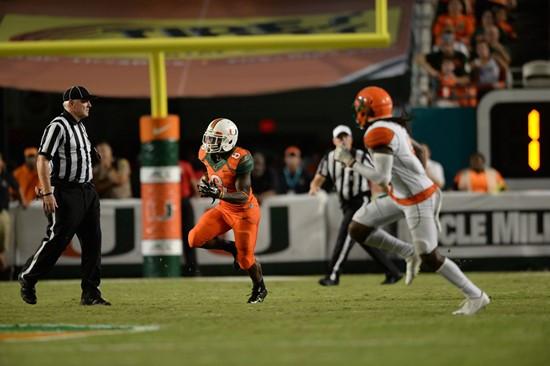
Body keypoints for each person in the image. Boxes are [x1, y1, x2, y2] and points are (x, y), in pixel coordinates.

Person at [335, 86, 490, 315]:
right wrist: (415, 176)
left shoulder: (378, 132)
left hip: (418, 199)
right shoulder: (393, 126)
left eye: (360, 108)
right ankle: (407, 252)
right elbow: (419, 151)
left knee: (430, 256)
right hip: (402, 196)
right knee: (357, 228)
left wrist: (350, 162)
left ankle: (476, 295)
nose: (357, 113)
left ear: (368, 110)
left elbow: (381, 177)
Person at [18, 85, 110, 306]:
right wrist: (48, 191)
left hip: (87, 191)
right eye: (85, 100)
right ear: (71, 104)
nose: (90, 104)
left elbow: (72, 155)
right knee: (57, 240)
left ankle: (90, 293)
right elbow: (43, 159)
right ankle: (27, 277)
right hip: (65, 191)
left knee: (92, 244)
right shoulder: (57, 126)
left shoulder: (80, 127)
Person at [309, 124, 403, 286]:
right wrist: (314, 186)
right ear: (334, 141)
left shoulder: (360, 156)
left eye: (346, 137)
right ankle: (393, 272)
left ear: (351, 139)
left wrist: (387, 191)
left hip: (361, 201)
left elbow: (378, 175)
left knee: (346, 234)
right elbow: (320, 175)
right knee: (364, 238)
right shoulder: (329, 158)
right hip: (345, 204)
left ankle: (333, 274)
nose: (343, 141)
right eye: (340, 138)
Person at [188, 118, 267, 303]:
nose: (209, 143)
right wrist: (207, 180)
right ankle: (231, 248)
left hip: (244, 212)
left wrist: (219, 192)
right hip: (225, 209)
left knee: (246, 260)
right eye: (209, 138)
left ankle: (259, 287)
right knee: (194, 238)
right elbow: (210, 171)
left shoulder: (241, 158)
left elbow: (243, 195)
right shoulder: (205, 153)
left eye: (215, 140)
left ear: (228, 140)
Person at [1, 152, 28, 273]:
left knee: (3, 242)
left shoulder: (6, 176)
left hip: (3, 212)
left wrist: (23, 200)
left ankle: (3, 263)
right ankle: (3, 263)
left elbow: (17, 187)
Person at [179, 158, 200, 276]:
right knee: (188, 237)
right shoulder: (185, 165)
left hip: (172, 203)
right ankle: (192, 269)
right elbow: (193, 183)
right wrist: (196, 195)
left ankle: (188, 268)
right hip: (184, 202)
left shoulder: (183, 165)